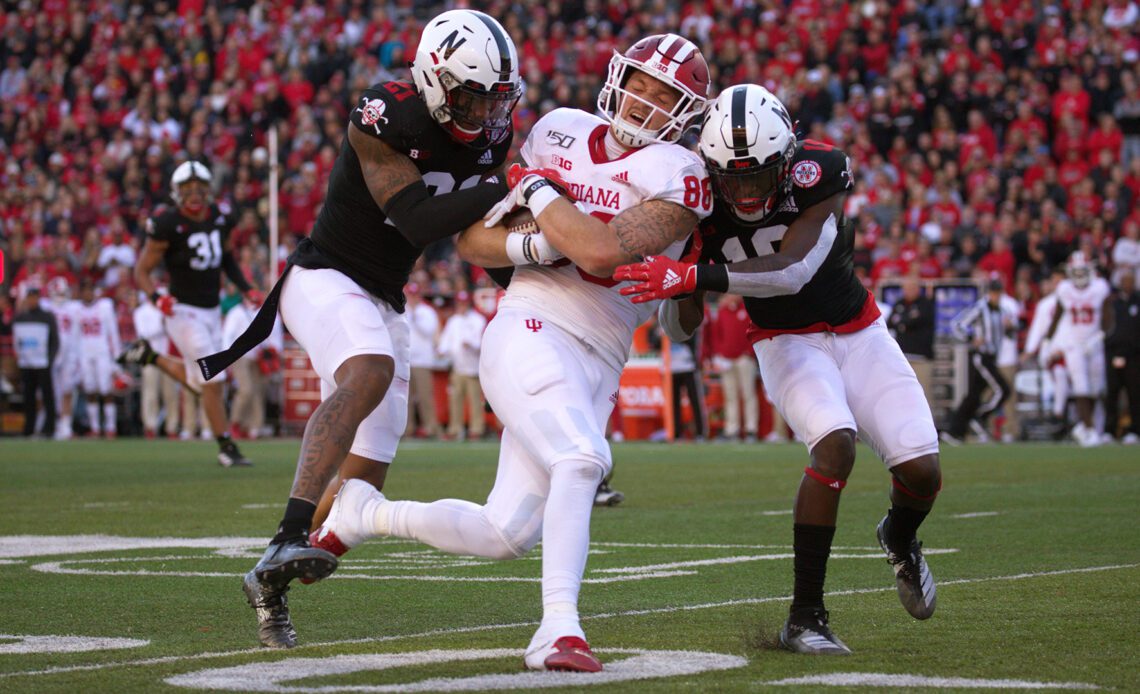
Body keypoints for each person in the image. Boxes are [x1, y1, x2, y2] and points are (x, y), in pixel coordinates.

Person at [314, 32, 712, 671]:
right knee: (582, 459)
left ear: (688, 108)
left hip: (601, 359)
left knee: (505, 532)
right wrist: (540, 241)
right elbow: (475, 242)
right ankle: (559, 630)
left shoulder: (683, 174)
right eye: (639, 82)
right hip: (531, 325)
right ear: (617, 77)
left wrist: (545, 199)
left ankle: (365, 514)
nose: (645, 100)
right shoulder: (557, 129)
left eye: (664, 92)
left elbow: (603, 252)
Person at [196, 9, 525, 649]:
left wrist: (529, 298)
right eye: (469, 95)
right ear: (433, 79)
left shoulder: (489, 136)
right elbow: (414, 221)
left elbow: (472, 239)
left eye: (493, 97)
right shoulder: (385, 111)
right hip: (323, 274)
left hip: (384, 298)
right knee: (367, 372)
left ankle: (272, 572)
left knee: (359, 494)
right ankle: (291, 530)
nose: (483, 111)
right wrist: (504, 186)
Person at [614, 84, 942, 655]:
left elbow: (792, 269)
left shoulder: (820, 170)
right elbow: (678, 329)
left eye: (757, 175)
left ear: (787, 161)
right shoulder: (697, 199)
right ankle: (805, 617)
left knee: (923, 471)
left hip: (858, 329)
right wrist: (679, 280)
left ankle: (899, 534)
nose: (743, 191)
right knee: (834, 444)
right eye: (731, 177)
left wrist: (696, 277)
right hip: (786, 341)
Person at [118, 160, 254, 463]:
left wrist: (245, 287)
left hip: (211, 310)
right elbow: (142, 270)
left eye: (199, 188)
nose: (194, 194)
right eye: (187, 189)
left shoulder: (220, 217)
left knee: (199, 383)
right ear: (177, 192)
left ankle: (148, 356)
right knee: (213, 380)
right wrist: (156, 298)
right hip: (181, 311)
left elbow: (227, 259)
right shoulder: (167, 223)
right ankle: (227, 448)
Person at [1033, 252, 1112, 446]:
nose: (1078, 274)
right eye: (1075, 271)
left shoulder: (1100, 287)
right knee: (1081, 386)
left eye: (1081, 270)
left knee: (1097, 388)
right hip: (1073, 344)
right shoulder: (1065, 289)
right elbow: (1058, 316)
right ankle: (1090, 429)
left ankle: (1083, 426)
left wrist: (1099, 336)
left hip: (1094, 342)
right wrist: (1047, 341)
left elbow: (1109, 318)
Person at [943, 276, 1017, 444]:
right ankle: (980, 417)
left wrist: (1011, 327)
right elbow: (957, 324)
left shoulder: (1003, 311)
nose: (996, 296)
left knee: (973, 396)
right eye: (993, 292)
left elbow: (1010, 335)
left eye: (998, 292)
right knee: (1003, 389)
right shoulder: (979, 308)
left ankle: (954, 432)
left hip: (992, 357)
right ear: (988, 292)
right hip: (981, 357)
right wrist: (971, 338)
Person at [437, 290, 487, 440]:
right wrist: (441, 350)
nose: (461, 306)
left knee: (475, 400)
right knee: (455, 399)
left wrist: (470, 344)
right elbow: (447, 339)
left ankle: (476, 429)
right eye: (459, 303)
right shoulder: (454, 321)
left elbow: (481, 342)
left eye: (463, 303)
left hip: (472, 367)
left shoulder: (478, 320)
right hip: (457, 366)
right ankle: (455, 429)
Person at [76, 279, 122, 438]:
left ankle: (111, 426)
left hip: (102, 352)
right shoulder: (76, 309)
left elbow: (113, 333)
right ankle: (95, 427)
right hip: (85, 353)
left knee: (106, 389)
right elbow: (75, 336)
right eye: (85, 290)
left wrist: (117, 358)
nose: (88, 293)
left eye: (90, 289)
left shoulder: (105, 306)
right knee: (90, 390)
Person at [710, 294, 759, 442]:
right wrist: (719, 354)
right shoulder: (722, 311)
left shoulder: (747, 309)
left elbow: (754, 331)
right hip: (727, 360)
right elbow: (716, 335)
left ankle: (751, 429)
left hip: (744, 359)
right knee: (730, 396)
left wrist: (749, 353)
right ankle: (732, 429)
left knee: (748, 394)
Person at [132, 293, 181, 438]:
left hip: (168, 356)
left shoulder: (167, 310)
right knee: (150, 393)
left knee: (171, 394)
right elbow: (144, 334)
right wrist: (162, 324)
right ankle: (150, 426)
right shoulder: (141, 312)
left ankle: (172, 427)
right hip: (150, 356)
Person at [886, 276, 936, 415]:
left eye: (912, 288)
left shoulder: (925, 303)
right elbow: (890, 323)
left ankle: (927, 430)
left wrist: (902, 322)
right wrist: (905, 322)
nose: (909, 291)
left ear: (918, 289)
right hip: (903, 357)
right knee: (901, 394)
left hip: (921, 357)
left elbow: (912, 321)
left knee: (923, 394)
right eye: (906, 288)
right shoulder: (899, 303)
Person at [12, 287, 58, 437]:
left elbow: (54, 341)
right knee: (29, 396)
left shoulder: (47, 317)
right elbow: (17, 339)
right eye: (29, 297)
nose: (32, 301)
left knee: (47, 396)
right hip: (27, 363)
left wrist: (49, 359)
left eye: (34, 297)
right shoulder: (21, 317)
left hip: (43, 363)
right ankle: (29, 428)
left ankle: (49, 428)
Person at [1104, 270, 1140, 443]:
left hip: (1134, 356)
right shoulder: (1113, 303)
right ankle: (1110, 430)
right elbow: (1107, 327)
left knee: (1134, 394)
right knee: (1112, 394)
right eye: (1125, 280)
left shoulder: (1138, 301)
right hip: (1114, 354)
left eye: (1130, 280)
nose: (1128, 284)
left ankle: (1135, 430)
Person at [43, 277, 81, 440]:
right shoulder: (46, 306)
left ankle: (65, 424)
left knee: (67, 389)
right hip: (51, 352)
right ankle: (53, 422)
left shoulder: (74, 308)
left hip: (69, 353)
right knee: (51, 390)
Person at [404, 283, 440, 439]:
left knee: (425, 396)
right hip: (406, 359)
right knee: (406, 398)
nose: (412, 298)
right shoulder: (403, 311)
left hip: (422, 361)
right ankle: (407, 428)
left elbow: (428, 331)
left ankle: (430, 427)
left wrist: (415, 316)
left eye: (414, 295)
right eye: (410, 295)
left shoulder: (427, 312)